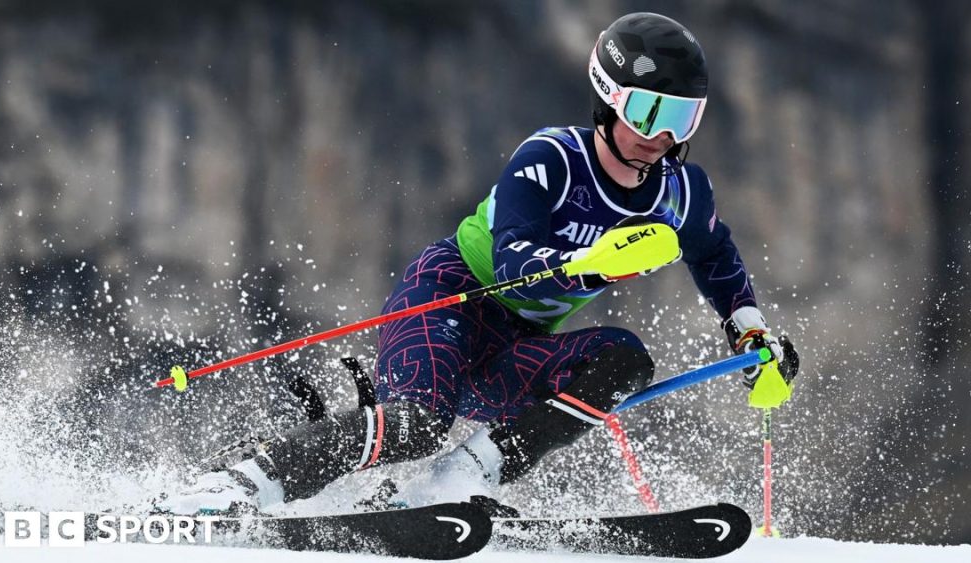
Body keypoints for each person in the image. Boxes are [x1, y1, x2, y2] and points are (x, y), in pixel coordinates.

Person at [157, 12, 799, 516]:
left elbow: (715, 255)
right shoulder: (551, 159)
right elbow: (514, 256)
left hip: (516, 342)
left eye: (682, 118)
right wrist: (593, 264)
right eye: (649, 112)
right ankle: (240, 482)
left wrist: (751, 333)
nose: (662, 137)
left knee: (625, 360)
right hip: (451, 297)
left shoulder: (682, 193)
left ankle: (453, 483)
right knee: (415, 426)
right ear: (609, 98)